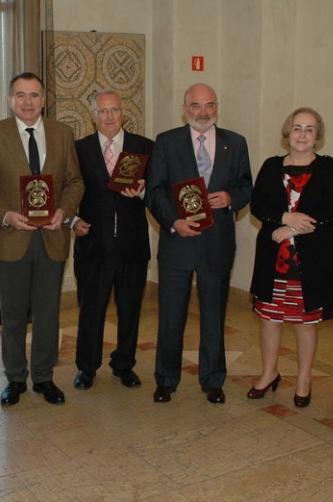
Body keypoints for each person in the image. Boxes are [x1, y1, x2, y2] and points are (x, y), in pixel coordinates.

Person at [0, 72, 84, 406]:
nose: (27, 101)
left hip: (52, 237)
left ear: (44, 99)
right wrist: (6, 214)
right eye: (20, 95)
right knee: (14, 314)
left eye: (34, 95)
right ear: (10, 100)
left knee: (48, 312)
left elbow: (74, 182)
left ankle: (44, 377)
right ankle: (15, 379)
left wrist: (63, 212)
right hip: (11, 237)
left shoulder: (63, 134)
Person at [144, 83, 253, 405]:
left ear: (216, 107)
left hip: (217, 244)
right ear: (184, 108)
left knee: (214, 315)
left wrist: (232, 198)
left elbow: (248, 186)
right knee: (171, 316)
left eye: (208, 105)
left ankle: (213, 379)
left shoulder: (235, 143)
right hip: (178, 241)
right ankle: (166, 379)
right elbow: (154, 190)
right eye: (195, 106)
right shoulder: (166, 142)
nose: (202, 112)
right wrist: (173, 221)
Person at [247, 108, 333, 408]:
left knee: (305, 322)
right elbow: (257, 204)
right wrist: (283, 216)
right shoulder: (271, 165)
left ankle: (304, 379)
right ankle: (269, 372)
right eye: (297, 128)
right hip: (273, 260)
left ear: (318, 136)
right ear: (287, 132)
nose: (302, 135)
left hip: (312, 260)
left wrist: (290, 229)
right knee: (270, 320)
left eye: (309, 129)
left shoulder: (329, 168)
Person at [71, 89, 154, 390]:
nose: (109, 116)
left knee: (130, 308)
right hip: (93, 243)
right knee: (91, 308)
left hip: (132, 245)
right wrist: (72, 219)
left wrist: (143, 190)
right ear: (93, 115)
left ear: (123, 113)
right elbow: (67, 190)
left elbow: (157, 194)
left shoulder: (144, 147)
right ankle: (86, 367)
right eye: (103, 111)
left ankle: (124, 364)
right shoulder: (78, 149)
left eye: (114, 110)